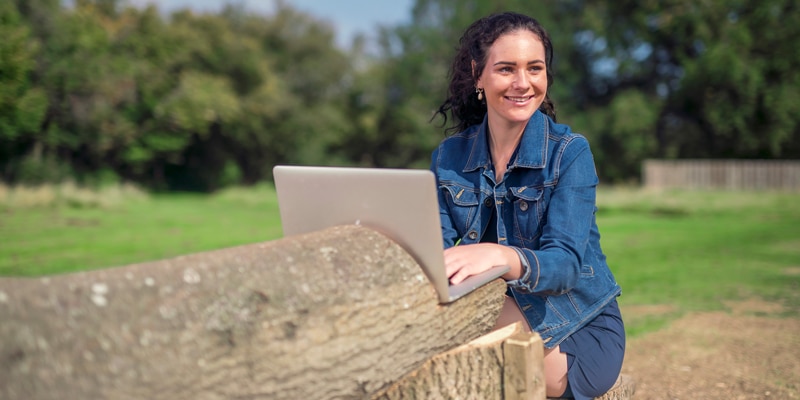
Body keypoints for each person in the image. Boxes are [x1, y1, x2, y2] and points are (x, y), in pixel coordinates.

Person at [430, 11, 625, 399]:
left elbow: (565, 266)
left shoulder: (569, 153)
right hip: (491, 309)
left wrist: (499, 255)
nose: (523, 83)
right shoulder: (449, 156)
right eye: (506, 69)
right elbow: (436, 249)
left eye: (534, 68)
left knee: (446, 340)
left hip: (574, 325)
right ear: (478, 75)